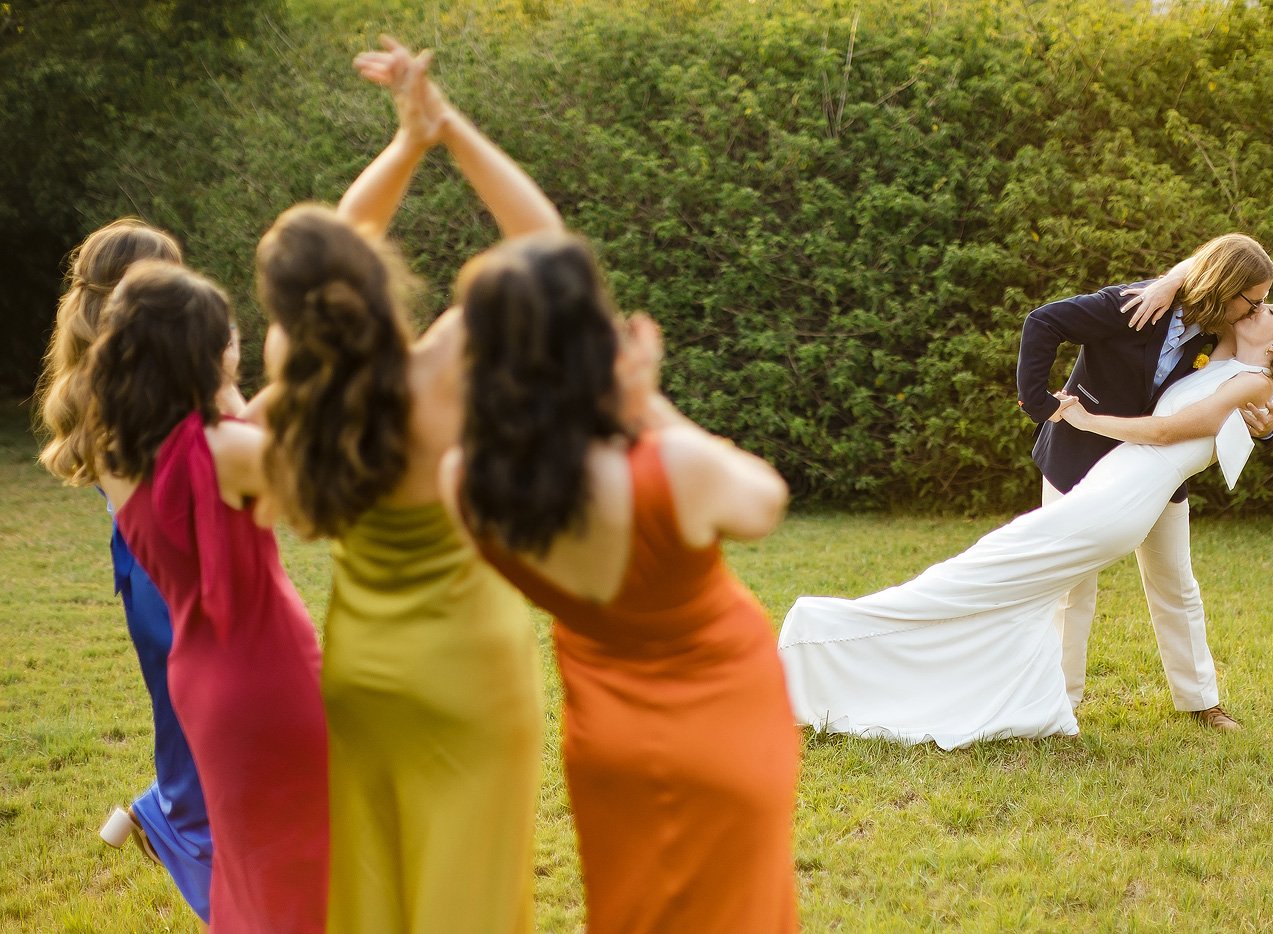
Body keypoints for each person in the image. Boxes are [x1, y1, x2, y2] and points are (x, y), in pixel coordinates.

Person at [254, 39, 553, 933]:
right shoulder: (439, 375)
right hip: (468, 669)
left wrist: (405, 146)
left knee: (380, 888)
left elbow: (340, 246)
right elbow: (544, 246)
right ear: (374, 279)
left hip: (365, 671)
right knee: (470, 893)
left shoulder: (293, 376)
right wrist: (444, 129)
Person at [439, 234, 800, 933]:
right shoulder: (671, 470)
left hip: (607, 742)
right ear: (592, 347)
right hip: (725, 723)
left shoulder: (466, 484)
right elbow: (766, 498)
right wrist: (648, 403)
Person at [779, 296, 1273, 749]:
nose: (1258, 306)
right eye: (1258, 299)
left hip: (1129, 491)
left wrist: (1089, 418)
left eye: (1271, 309)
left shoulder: (1252, 373)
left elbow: (1183, 426)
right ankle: (1049, 695)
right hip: (1100, 479)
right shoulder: (1181, 316)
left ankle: (829, 639)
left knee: (1161, 587)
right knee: (1008, 580)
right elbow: (1210, 289)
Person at [80, 260, 328, 932]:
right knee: (314, 865)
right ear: (206, 353)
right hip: (268, 673)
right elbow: (310, 504)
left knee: (250, 865)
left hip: (201, 684)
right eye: (230, 339)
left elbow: (234, 431)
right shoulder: (229, 451)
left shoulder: (117, 454)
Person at [1016, 234, 1273, 731]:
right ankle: (1059, 705)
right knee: (1072, 588)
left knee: (1175, 582)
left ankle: (1202, 702)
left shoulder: (1221, 336)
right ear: (1225, 288)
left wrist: (1266, 424)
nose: (1258, 310)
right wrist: (1037, 402)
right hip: (1080, 457)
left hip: (1158, 471)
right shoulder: (1134, 304)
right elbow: (1043, 321)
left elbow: (1252, 376)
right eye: (1254, 300)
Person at [33, 218, 217, 928]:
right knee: (208, 737)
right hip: (168, 584)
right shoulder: (119, 392)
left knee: (197, 732)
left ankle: (158, 809)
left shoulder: (127, 381)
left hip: (162, 578)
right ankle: (175, 827)